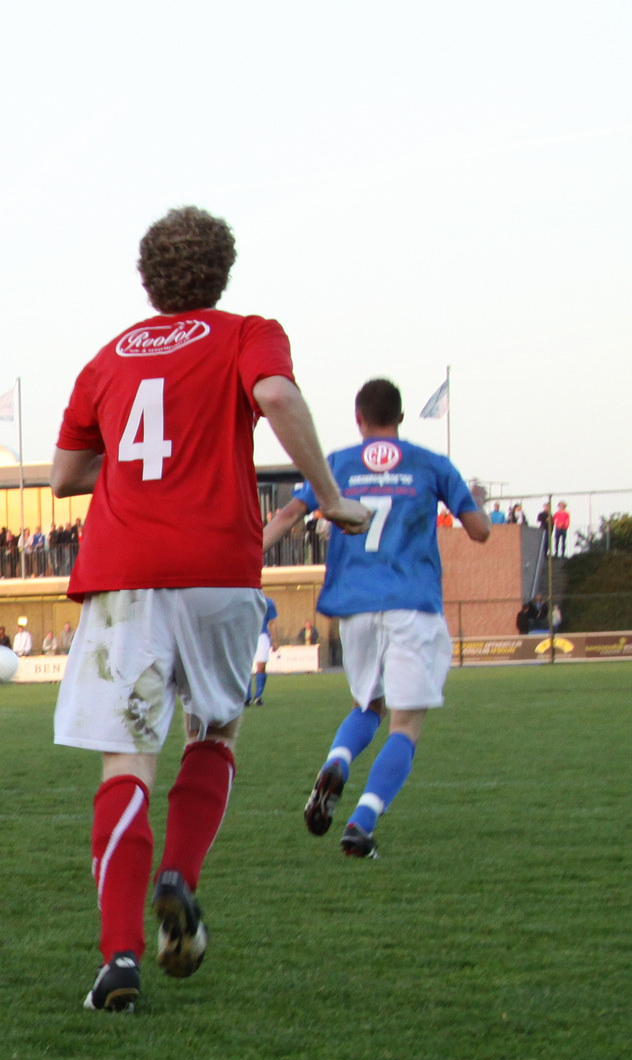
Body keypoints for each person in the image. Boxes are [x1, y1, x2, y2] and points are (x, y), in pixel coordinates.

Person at [49, 205, 367, 1012]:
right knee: (215, 731)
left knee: (126, 761)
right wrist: (330, 497)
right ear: (222, 271)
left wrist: (135, 475)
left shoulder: (108, 357)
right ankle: (180, 877)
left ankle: (118, 959)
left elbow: (65, 476)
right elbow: (277, 394)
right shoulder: (247, 333)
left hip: (124, 574)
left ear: (147, 278)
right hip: (218, 569)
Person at [264, 377, 490, 858]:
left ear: (358, 418)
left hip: (355, 606)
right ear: (400, 417)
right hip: (411, 602)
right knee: (405, 725)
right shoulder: (431, 463)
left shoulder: (338, 463)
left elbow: (287, 516)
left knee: (367, 706)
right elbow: (479, 530)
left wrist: (243, 560)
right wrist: (478, 506)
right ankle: (361, 823)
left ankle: (338, 759)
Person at [246, 595, 279, 706]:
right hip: (245, 635)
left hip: (262, 636)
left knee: (261, 666)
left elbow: (272, 623)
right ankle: (246, 697)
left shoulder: (268, 602)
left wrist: (275, 640)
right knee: (246, 667)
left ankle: (258, 696)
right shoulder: (243, 599)